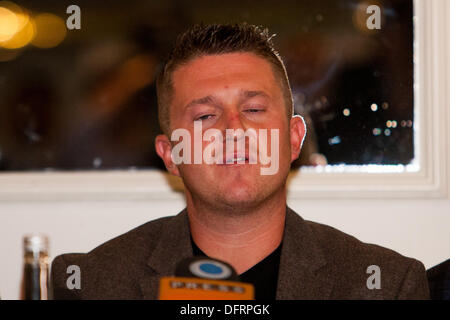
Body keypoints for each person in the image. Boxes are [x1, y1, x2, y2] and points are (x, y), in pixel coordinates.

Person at [51, 23, 429, 300]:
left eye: (253, 108)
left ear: (294, 140)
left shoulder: (385, 285)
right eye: (204, 116)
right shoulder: (92, 284)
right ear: (171, 155)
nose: (234, 129)